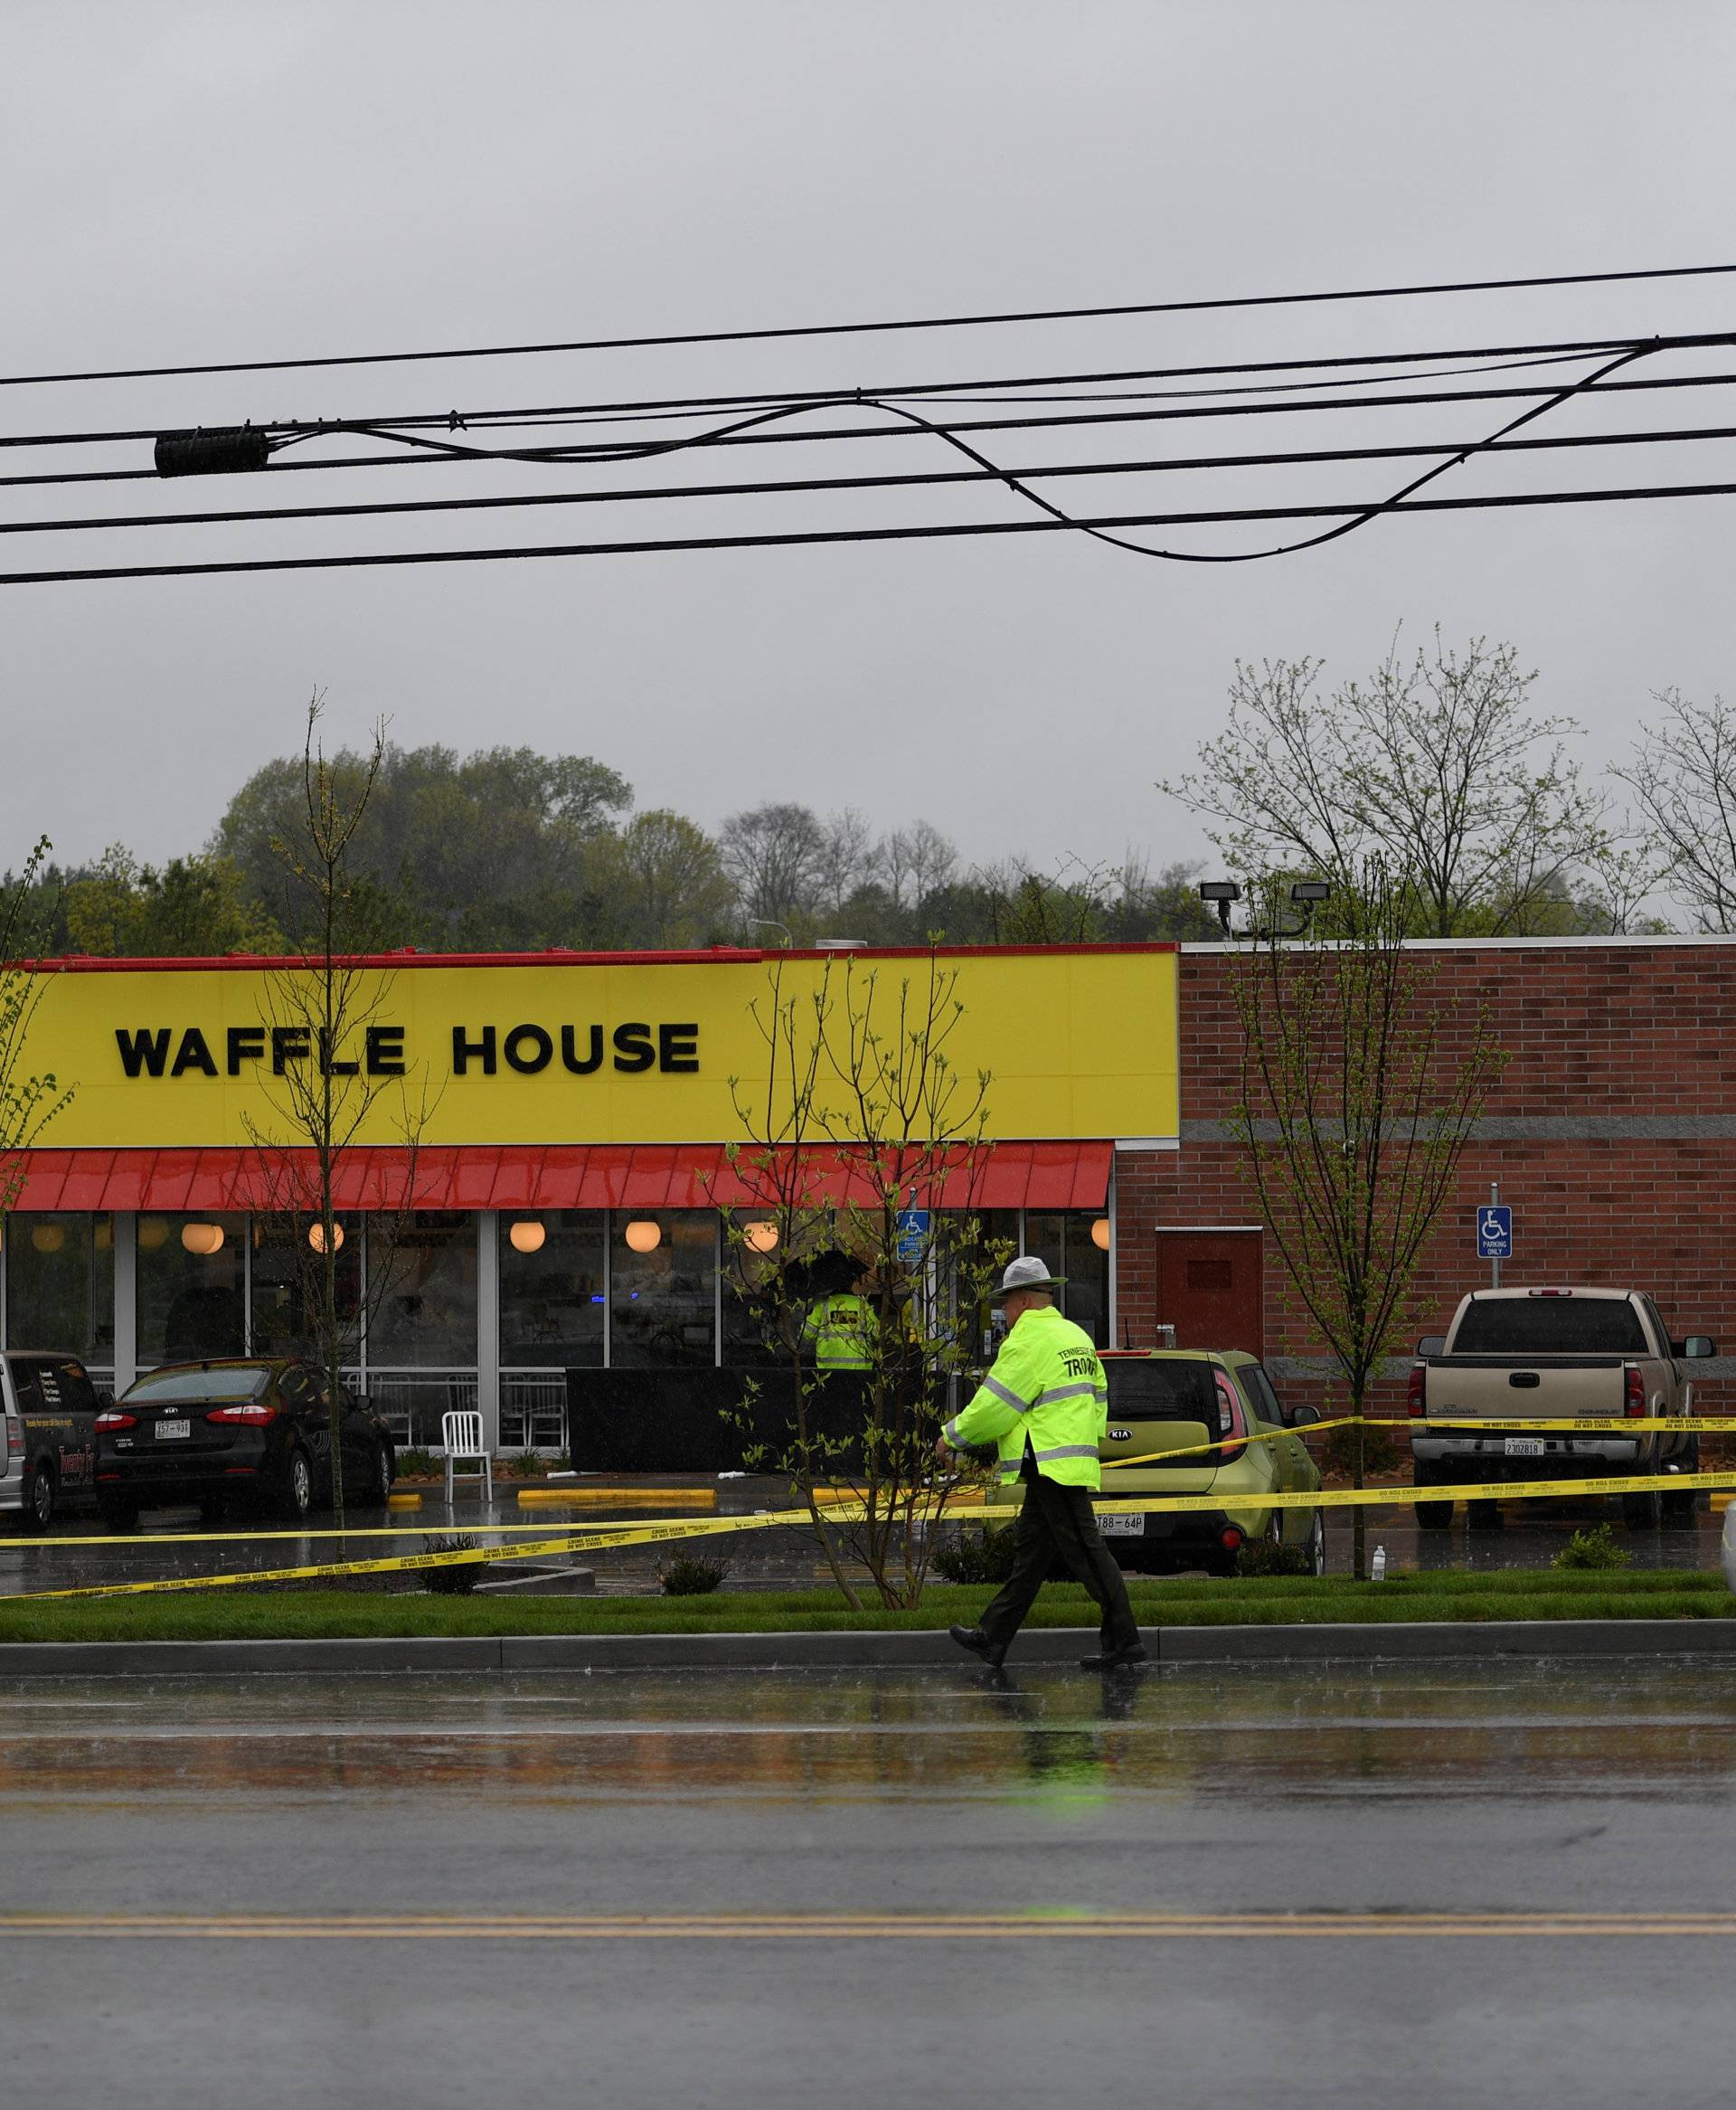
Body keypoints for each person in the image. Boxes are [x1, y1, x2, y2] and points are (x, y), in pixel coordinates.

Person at [938, 1254, 1145, 1671]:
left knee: (1086, 1552)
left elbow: (996, 1404)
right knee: (1030, 1556)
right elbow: (1099, 1396)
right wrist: (1083, 1440)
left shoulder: (1028, 1340)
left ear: (1025, 1300)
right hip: (1064, 1459)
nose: (1005, 1313)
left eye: (1007, 1304)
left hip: (1049, 1462)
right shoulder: (1074, 1336)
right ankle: (993, 1639)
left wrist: (951, 1436)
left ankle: (1125, 1639)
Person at [800, 1271, 879, 1371]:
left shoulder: (823, 1305)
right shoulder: (862, 1305)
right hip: (859, 1370)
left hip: (828, 1370)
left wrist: (808, 1315)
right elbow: (878, 1334)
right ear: (851, 1284)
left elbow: (807, 1334)